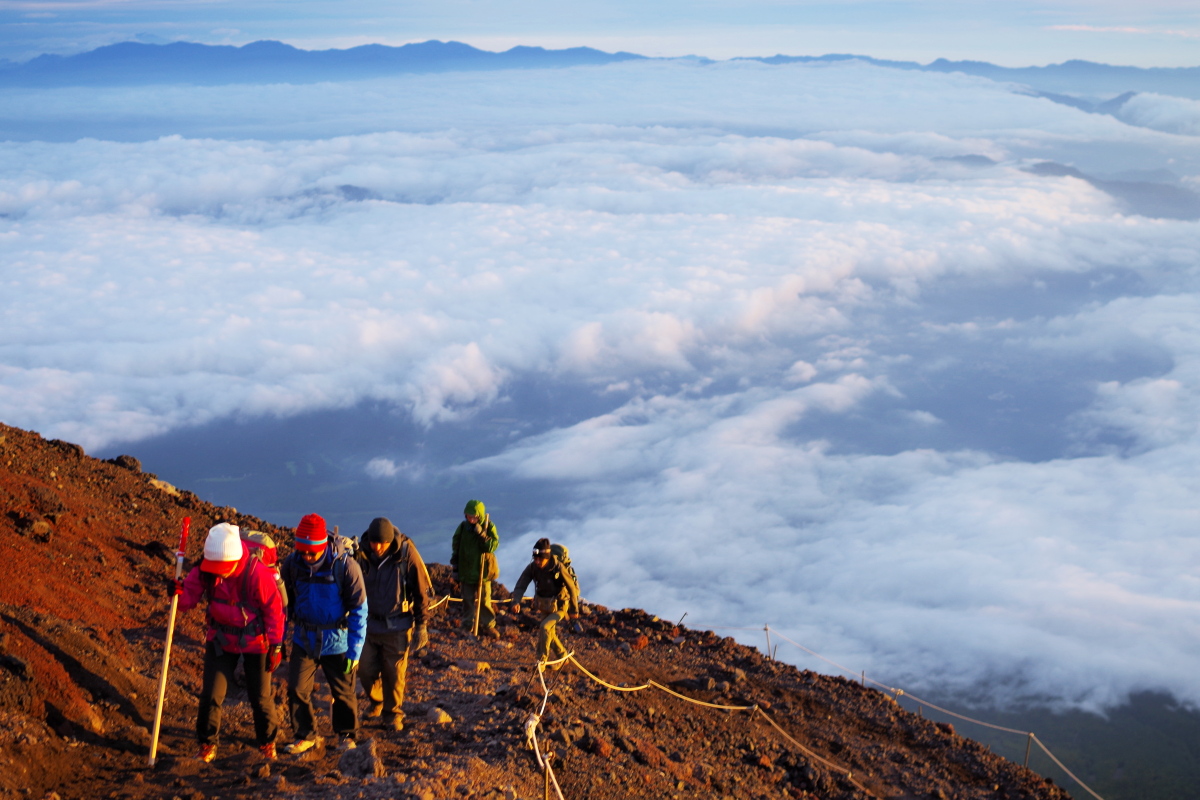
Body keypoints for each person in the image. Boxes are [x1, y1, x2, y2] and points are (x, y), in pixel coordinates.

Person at [175, 522, 286, 763]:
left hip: (256, 641)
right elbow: (186, 601)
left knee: (260, 697)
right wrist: (176, 593)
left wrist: (276, 645)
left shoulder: (257, 574)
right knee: (211, 695)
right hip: (221, 638)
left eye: (222, 567)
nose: (219, 572)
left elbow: (274, 610)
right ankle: (207, 744)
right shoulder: (205, 570)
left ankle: (267, 743)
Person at [279, 513, 368, 753]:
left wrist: (355, 651)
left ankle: (346, 735)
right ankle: (305, 735)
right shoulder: (292, 564)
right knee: (297, 689)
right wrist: (278, 641)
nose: (307, 557)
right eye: (303, 552)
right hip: (304, 637)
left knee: (343, 691)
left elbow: (359, 610)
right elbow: (283, 604)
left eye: (312, 552)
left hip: (337, 641)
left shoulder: (346, 567)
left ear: (321, 546)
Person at [352, 517, 431, 731]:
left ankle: (392, 714)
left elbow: (421, 592)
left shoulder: (406, 555)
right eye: (374, 542)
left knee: (394, 673)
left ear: (390, 541)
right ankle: (377, 700)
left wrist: (421, 625)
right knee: (365, 671)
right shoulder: (360, 555)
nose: (377, 547)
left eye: (382, 543)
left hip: (397, 625)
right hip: (367, 626)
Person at [510, 538, 580, 667]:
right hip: (544, 605)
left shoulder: (558, 567)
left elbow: (571, 588)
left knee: (545, 627)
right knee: (548, 633)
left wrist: (574, 611)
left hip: (560, 606)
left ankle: (541, 662)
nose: (537, 562)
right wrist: (516, 601)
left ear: (547, 557)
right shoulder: (533, 567)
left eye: (540, 559)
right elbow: (521, 584)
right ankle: (563, 657)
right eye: (535, 559)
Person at [450, 499, 500, 638]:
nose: (471, 519)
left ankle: (488, 625)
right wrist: (455, 566)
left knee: (484, 600)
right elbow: (456, 545)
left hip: (482, 571)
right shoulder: (463, 527)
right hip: (466, 570)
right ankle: (467, 625)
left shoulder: (488, 526)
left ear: (480, 516)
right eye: (469, 516)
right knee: (467, 599)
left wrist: (482, 535)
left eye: (474, 517)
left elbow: (492, 546)